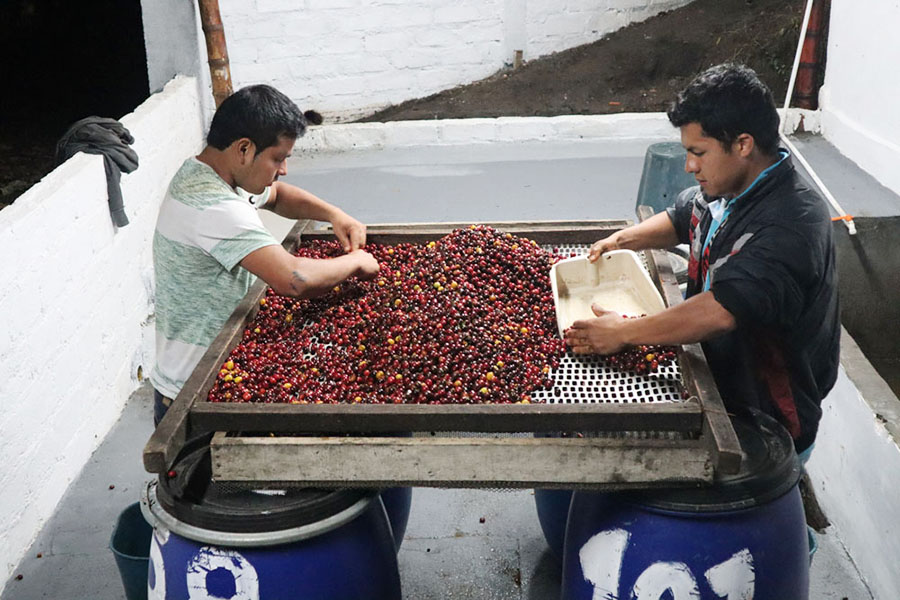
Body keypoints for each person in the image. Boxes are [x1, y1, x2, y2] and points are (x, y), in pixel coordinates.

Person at [565, 64, 840, 454]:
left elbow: (720, 311)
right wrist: (623, 240)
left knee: (753, 494)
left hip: (765, 416)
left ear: (743, 144)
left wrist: (621, 332)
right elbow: (683, 218)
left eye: (698, 153)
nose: (689, 166)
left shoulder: (791, 226)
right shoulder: (729, 185)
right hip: (718, 382)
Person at [149, 84, 379, 424]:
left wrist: (335, 215)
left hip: (218, 363)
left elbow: (278, 196)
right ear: (244, 149)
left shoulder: (208, 173)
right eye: (278, 158)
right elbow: (294, 280)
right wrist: (355, 261)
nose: (283, 169)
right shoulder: (214, 206)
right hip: (195, 394)